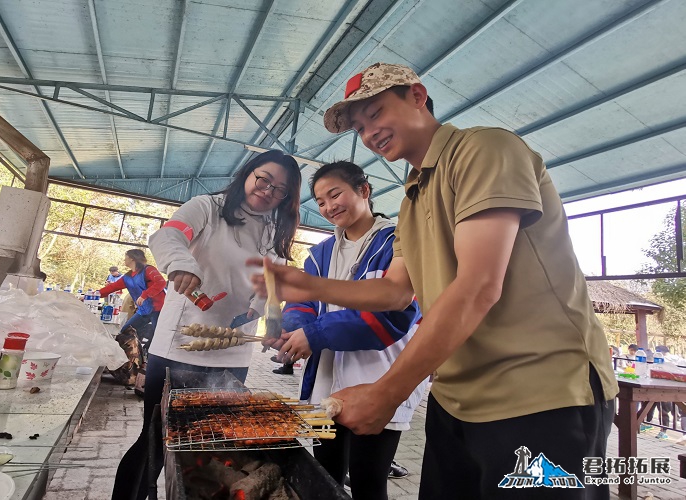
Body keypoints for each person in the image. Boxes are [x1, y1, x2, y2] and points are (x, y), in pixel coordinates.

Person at [249, 62, 618, 499]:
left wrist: (388, 392)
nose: (369, 133)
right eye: (360, 127)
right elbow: (393, 291)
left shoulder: (484, 151)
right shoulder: (411, 199)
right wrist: (306, 287)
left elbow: (479, 286)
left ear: (418, 97)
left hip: (540, 394)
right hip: (457, 397)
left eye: (376, 113)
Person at [111, 149, 301, 500]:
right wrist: (182, 263)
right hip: (178, 348)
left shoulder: (275, 231)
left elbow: (271, 284)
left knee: (210, 440)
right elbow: (169, 236)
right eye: (264, 179)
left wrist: (267, 315)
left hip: (233, 355)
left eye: (280, 190)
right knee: (155, 439)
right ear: (248, 174)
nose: (269, 191)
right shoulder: (207, 208)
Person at [264, 161, 425, 500]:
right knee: (326, 475)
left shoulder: (396, 241)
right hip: (327, 381)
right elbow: (301, 304)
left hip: (378, 379)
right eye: (320, 201)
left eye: (335, 194)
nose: (328, 206)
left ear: (364, 191)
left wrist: (316, 335)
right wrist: (294, 331)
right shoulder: (321, 254)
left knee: (368, 481)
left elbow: (390, 317)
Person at [98, 249, 166, 346]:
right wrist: (95, 294)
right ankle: (130, 356)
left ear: (132, 258)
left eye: (126, 257)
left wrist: (145, 294)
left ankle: (154, 358)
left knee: (159, 338)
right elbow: (112, 287)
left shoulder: (149, 270)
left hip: (158, 310)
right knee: (125, 333)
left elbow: (161, 282)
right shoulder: (128, 277)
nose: (124, 260)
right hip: (143, 311)